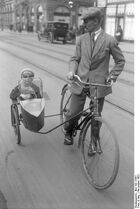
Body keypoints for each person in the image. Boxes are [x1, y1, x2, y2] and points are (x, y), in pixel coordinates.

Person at [64, 7, 125, 146]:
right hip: (80, 81)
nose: (84, 24)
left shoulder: (110, 40)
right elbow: (75, 59)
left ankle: (94, 141)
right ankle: (68, 131)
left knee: (96, 116)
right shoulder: (81, 39)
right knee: (74, 113)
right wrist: (71, 71)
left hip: (98, 85)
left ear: (96, 21)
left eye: (86, 21)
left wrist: (112, 76)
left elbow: (120, 61)